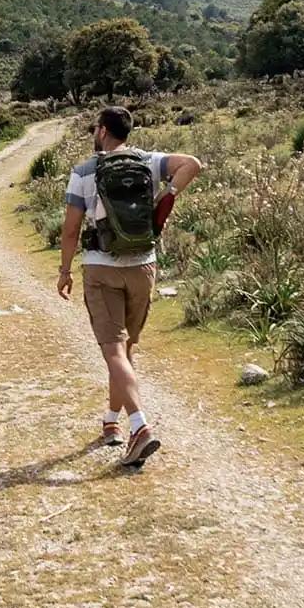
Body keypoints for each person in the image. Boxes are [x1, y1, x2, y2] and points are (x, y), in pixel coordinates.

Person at [57, 105, 204, 467]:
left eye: (96, 128)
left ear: (103, 131)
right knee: (126, 351)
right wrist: (165, 197)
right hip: (144, 266)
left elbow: (71, 229)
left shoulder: (84, 172)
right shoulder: (149, 161)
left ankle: (139, 427)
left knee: (113, 351)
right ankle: (111, 421)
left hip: (101, 269)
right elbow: (193, 164)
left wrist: (64, 270)